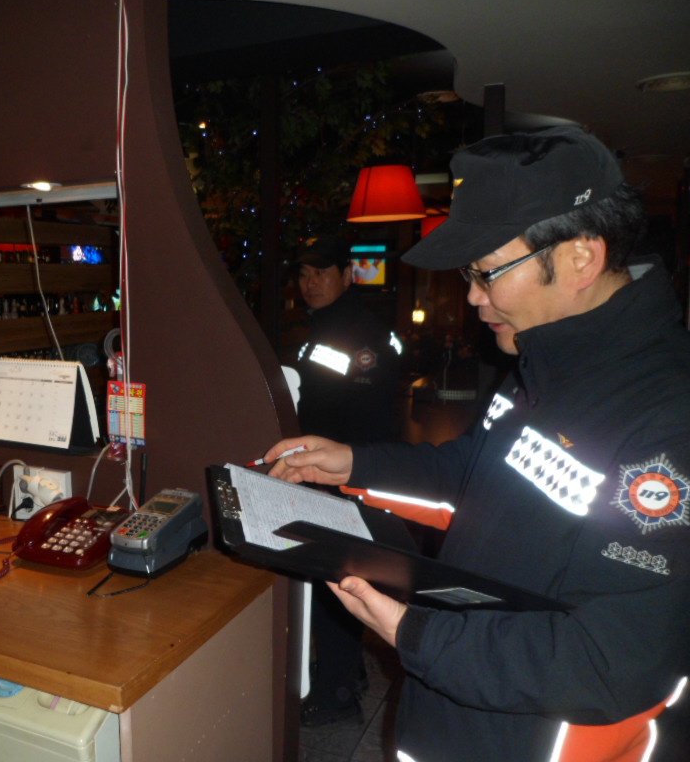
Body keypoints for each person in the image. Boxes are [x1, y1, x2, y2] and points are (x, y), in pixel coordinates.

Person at [266, 126, 690, 761]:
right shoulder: (542, 358)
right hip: (451, 707)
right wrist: (352, 462)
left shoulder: (668, 418)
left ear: (580, 258)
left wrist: (414, 634)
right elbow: (475, 472)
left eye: (487, 272)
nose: (472, 296)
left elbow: (611, 662)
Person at [292, 236, 402, 726]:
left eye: (321, 272)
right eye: (303, 274)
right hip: (330, 470)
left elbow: (363, 413)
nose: (310, 282)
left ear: (346, 275)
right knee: (335, 578)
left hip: (346, 477)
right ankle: (345, 672)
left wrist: (336, 477)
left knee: (337, 580)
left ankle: (336, 694)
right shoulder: (325, 326)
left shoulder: (361, 332)